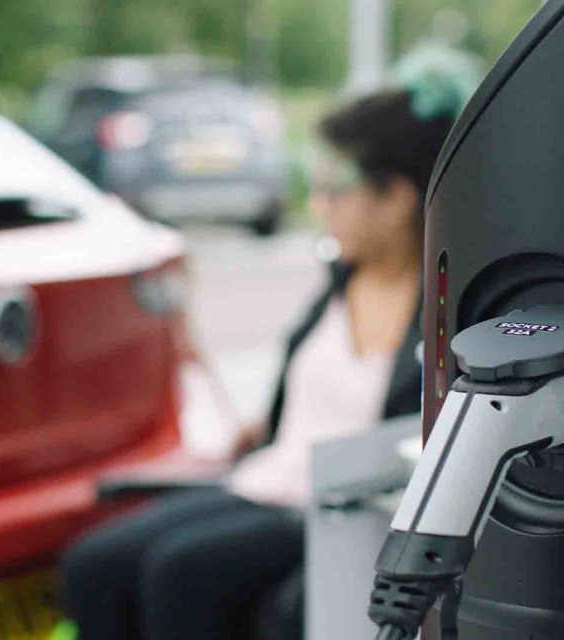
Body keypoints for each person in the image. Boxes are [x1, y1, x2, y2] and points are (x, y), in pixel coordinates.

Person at [61, 51, 479, 640]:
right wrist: (262, 425)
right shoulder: (340, 284)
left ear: (399, 198)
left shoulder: (446, 310)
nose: (318, 207)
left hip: (338, 509)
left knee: (181, 571)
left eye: (336, 190)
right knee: (95, 563)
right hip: (271, 478)